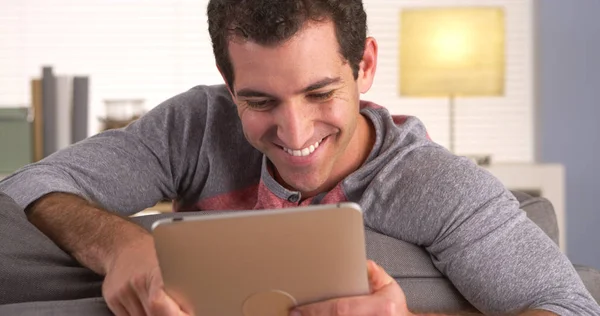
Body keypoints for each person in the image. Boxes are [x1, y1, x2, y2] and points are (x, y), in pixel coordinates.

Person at [0, 0, 598, 315]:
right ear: (226, 82)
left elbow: (570, 306)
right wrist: (122, 244)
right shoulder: (197, 123)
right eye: (259, 100)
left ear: (363, 66)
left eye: (320, 94)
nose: (295, 133)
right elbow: (36, 181)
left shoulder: (435, 185)